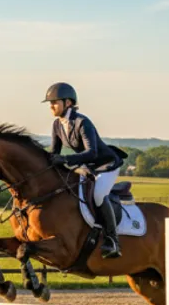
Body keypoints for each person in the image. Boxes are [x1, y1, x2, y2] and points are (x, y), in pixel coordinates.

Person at [43, 82, 125, 259]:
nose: (51, 106)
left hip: (106, 164)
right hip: (88, 166)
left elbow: (92, 152)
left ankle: (112, 240)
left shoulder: (82, 122)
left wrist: (66, 160)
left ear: (68, 103)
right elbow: (54, 153)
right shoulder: (57, 125)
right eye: (50, 103)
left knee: (98, 194)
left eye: (55, 102)